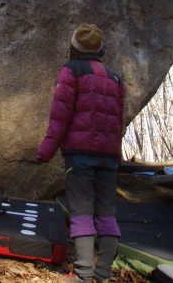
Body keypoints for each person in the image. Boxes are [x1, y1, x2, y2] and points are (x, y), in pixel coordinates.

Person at [36, 24, 125, 283]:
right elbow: (117, 122)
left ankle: (83, 275)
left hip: (81, 155)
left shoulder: (71, 71)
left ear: (74, 47)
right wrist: (116, 156)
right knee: (107, 211)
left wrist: (45, 151)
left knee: (82, 211)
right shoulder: (115, 78)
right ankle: (104, 274)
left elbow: (60, 116)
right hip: (107, 157)